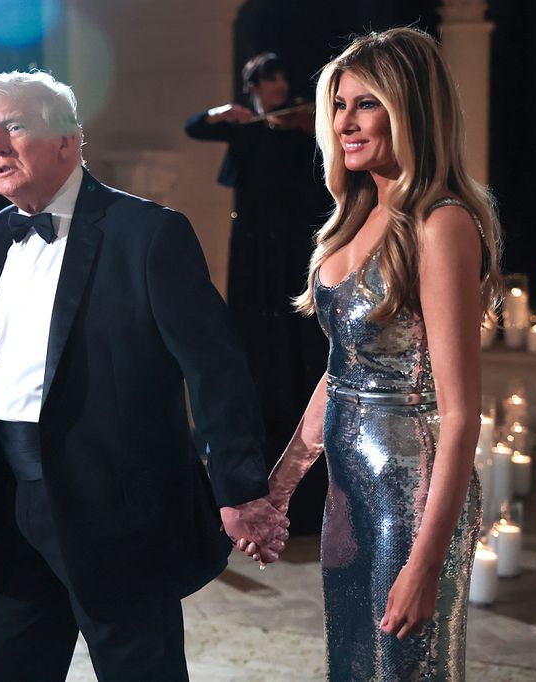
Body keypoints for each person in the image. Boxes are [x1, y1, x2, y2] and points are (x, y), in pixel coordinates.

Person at [0, 70, 289, 681]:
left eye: (14, 127)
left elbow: (216, 370)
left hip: (119, 512)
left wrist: (237, 489)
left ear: (68, 141)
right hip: (12, 502)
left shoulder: (148, 234)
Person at [251, 28, 504, 679]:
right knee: (353, 667)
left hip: (412, 500)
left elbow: (460, 416)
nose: (345, 123)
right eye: (339, 105)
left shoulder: (440, 224)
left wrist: (426, 562)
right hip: (348, 494)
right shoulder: (354, 218)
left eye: (366, 104)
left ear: (411, 110)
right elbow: (343, 372)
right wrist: (281, 485)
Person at [185, 53, 330, 533]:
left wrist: (307, 123)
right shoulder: (246, 126)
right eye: (270, 79)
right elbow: (194, 128)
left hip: (293, 245)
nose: (279, 85)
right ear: (253, 86)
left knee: (296, 334)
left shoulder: (301, 123)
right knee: (254, 338)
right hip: (254, 249)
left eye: (283, 77)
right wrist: (220, 113)